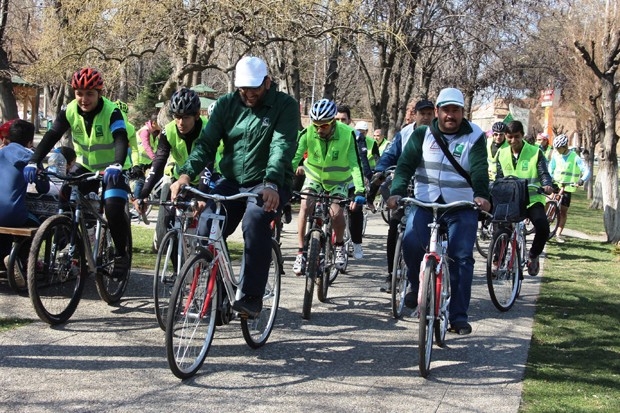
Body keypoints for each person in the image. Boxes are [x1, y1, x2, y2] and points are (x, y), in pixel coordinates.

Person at [169, 56, 300, 319]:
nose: (249, 94)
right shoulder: (227, 105)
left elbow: (281, 147)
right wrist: (185, 175)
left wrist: (272, 182)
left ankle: (251, 295)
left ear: (267, 82)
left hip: (267, 182)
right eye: (243, 89)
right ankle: (217, 293)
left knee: (255, 220)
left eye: (254, 88)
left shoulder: (285, 106)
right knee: (207, 223)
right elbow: (206, 145)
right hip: (230, 181)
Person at [387, 88, 491, 335]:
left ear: (463, 112)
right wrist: (397, 191)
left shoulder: (475, 136)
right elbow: (404, 166)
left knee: (461, 256)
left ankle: (458, 317)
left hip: (461, 206)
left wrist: (481, 195)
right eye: (446, 110)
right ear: (437, 112)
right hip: (426, 202)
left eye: (455, 110)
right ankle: (415, 285)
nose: (450, 116)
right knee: (411, 242)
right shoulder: (422, 134)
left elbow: (479, 169)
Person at [23, 67, 132, 279]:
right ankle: (69, 240)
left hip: (114, 167)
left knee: (112, 207)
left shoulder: (112, 111)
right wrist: (34, 160)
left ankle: (120, 254)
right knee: (64, 195)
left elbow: (120, 137)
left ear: (99, 93)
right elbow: (52, 135)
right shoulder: (70, 110)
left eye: (89, 93)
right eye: (79, 93)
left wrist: (118, 164)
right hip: (86, 165)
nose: (84, 98)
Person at [291, 99, 365, 275]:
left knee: (336, 214)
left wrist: (360, 190)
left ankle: (339, 246)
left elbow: (356, 164)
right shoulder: (308, 133)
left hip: (338, 181)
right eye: (315, 125)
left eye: (323, 126)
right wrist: (283, 178)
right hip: (314, 177)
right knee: (305, 206)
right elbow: (294, 158)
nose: (318, 129)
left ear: (332, 122)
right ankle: (301, 252)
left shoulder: (348, 134)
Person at [369, 99, 435, 293]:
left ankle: (431, 272)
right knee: (395, 225)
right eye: (422, 113)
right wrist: (380, 170)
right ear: (414, 115)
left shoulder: (439, 134)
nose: (426, 117)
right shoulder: (404, 134)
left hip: (429, 190)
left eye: (430, 114)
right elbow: (389, 155)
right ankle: (392, 274)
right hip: (406, 187)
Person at [133, 88, 214, 231]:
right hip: (180, 179)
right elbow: (158, 163)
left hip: (208, 176)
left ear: (196, 116)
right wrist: (144, 194)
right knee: (168, 224)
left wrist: (203, 196)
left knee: (205, 228)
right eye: (177, 116)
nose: (180, 122)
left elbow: (207, 163)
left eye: (186, 117)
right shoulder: (168, 131)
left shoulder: (208, 129)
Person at [496, 120, 554, 276]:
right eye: (509, 137)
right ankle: (497, 261)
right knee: (500, 229)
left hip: (532, 200)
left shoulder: (535, 152)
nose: (513, 141)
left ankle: (533, 255)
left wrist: (547, 185)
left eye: (516, 137)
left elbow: (543, 174)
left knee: (543, 227)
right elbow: (499, 177)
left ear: (522, 135)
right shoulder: (501, 153)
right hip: (512, 200)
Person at [0, 120, 50, 277]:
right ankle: (22, 262)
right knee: (39, 225)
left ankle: (5, 259)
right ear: (30, 141)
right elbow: (44, 188)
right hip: (11, 214)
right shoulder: (31, 158)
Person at [335, 105, 372, 259]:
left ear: (350, 121)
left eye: (344, 119)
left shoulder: (357, 136)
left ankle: (356, 242)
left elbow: (363, 160)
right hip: (332, 180)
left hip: (351, 180)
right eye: (337, 119)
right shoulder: (328, 132)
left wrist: (366, 180)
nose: (340, 122)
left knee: (355, 209)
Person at [547, 133, 590, 243]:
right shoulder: (556, 156)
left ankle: (558, 233)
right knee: (548, 202)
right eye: (555, 148)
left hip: (568, 187)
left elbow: (587, 171)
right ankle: (544, 223)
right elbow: (550, 169)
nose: (557, 150)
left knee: (563, 212)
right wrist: (549, 178)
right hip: (556, 184)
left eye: (559, 148)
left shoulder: (575, 157)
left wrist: (581, 180)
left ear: (565, 146)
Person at [130, 113, 161, 200]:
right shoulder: (145, 131)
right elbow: (146, 146)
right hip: (139, 160)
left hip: (146, 162)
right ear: (154, 123)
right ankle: (136, 201)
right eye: (160, 123)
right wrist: (155, 159)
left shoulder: (153, 133)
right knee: (140, 181)